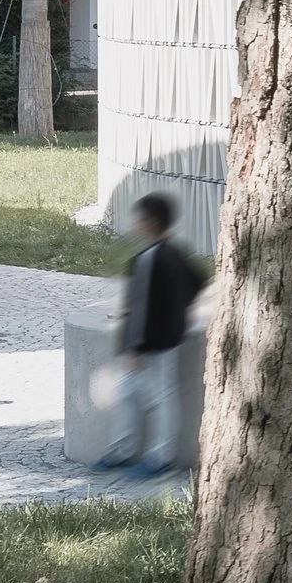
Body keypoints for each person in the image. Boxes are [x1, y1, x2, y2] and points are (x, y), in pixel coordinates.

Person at [98, 190, 206, 479]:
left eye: (141, 219)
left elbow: (141, 307)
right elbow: (198, 280)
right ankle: (125, 450)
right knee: (133, 394)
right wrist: (177, 315)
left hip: (149, 345)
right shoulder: (176, 253)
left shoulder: (148, 260)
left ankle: (159, 457)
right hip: (167, 338)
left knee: (157, 397)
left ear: (151, 221)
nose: (138, 224)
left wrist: (134, 347)